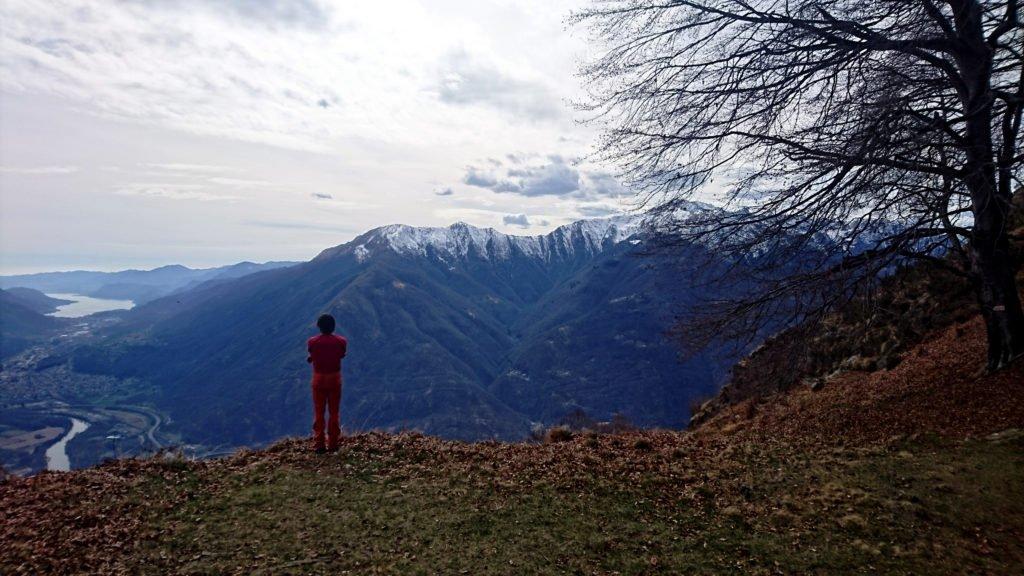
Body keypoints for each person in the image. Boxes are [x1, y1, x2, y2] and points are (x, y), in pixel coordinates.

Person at [307, 313, 347, 453]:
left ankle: (319, 445)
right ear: (333, 326)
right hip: (334, 379)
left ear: (319, 327)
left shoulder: (312, 342)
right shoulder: (341, 341)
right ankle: (333, 444)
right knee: (334, 412)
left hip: (318, 380)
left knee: (319, 412)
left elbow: (313, 354)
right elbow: (341, 355)